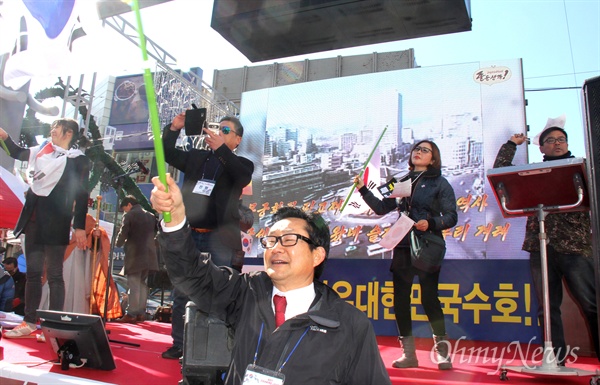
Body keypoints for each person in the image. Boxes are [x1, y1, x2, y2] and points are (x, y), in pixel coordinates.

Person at [150, 174, 391, 385]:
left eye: (289, 239)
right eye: (271, 240)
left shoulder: (349, 325)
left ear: (317, 255)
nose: (276, 248)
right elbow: (191, 274)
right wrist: (175, 219)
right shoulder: (246, 293)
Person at [493, 126, 599, 365]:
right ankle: (555, 361)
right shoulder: (533, 173)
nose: (557, 143)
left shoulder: (581, 169)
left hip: (575, 248)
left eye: (561, 139)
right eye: (550, 140)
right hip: (540, 248)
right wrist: (511, 144)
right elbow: (500, 173)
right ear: (541, 147)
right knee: (547, 309)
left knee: (592, 306)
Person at [353, 140, 457, 370]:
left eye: (425, 150)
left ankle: (443, 353)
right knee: (401, 300)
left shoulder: (440, 183)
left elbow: (451, 216)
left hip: (427, 244)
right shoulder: (401, 181)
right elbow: (381, 208)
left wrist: (430, 222)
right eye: (416, 149)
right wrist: (362, 188)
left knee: (429, 298)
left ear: (433, 158)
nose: (419, 153)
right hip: (402, 245)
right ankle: (408, 354)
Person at [161, 113, 254, 359]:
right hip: (190, 236)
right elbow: (166, 153)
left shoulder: (242, 164)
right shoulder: (198, 157)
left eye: (225, 131)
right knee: (182, 291)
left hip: (220, 240)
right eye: (217, 129)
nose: (218, 133)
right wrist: (173, 129)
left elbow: (242, 177)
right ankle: (180, 343)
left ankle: (217, 347)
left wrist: (222, 151)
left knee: (220, 292)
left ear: (237, 139)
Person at [0, 119, 90, 338]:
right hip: (34, 219)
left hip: (58, 221)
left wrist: (79, 227)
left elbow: (81, 193)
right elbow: (17, 153)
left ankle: (53, 325)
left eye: (56, 128)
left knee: (55, 276)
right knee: (32, 274)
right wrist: (4, 138)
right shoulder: (42, 150)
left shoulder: (78, 160)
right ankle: (29, 322)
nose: (52, 131)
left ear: (68, 133)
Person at [113, 196, 159, 323]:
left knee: (134, 284)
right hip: (149, 255)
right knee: (142, 285)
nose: (124, 211)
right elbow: (157, 234)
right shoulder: (150, 216)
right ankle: (140, 313)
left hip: (135, 255)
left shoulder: (130, 216)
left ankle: (131, 313)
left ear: (128, 205)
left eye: (124, 209)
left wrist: (117, 243)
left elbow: (123, 233)